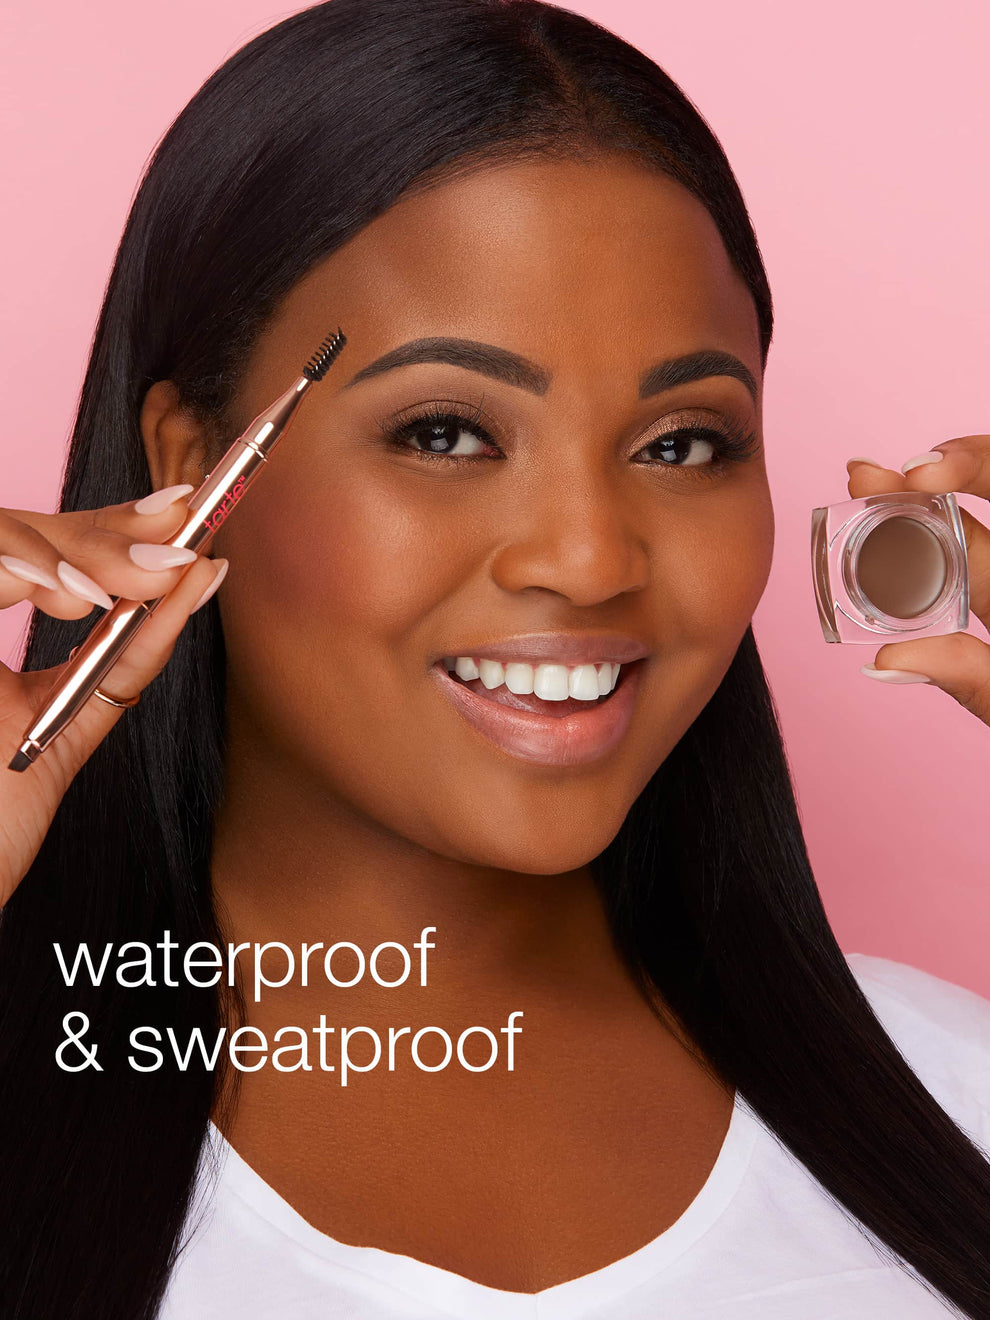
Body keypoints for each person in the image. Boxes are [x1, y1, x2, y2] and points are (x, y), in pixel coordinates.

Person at [1, 1, 988, 1317]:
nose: (588, 559)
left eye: (683, 444)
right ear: (194, 466)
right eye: (445, 433)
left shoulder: (956, 1095)